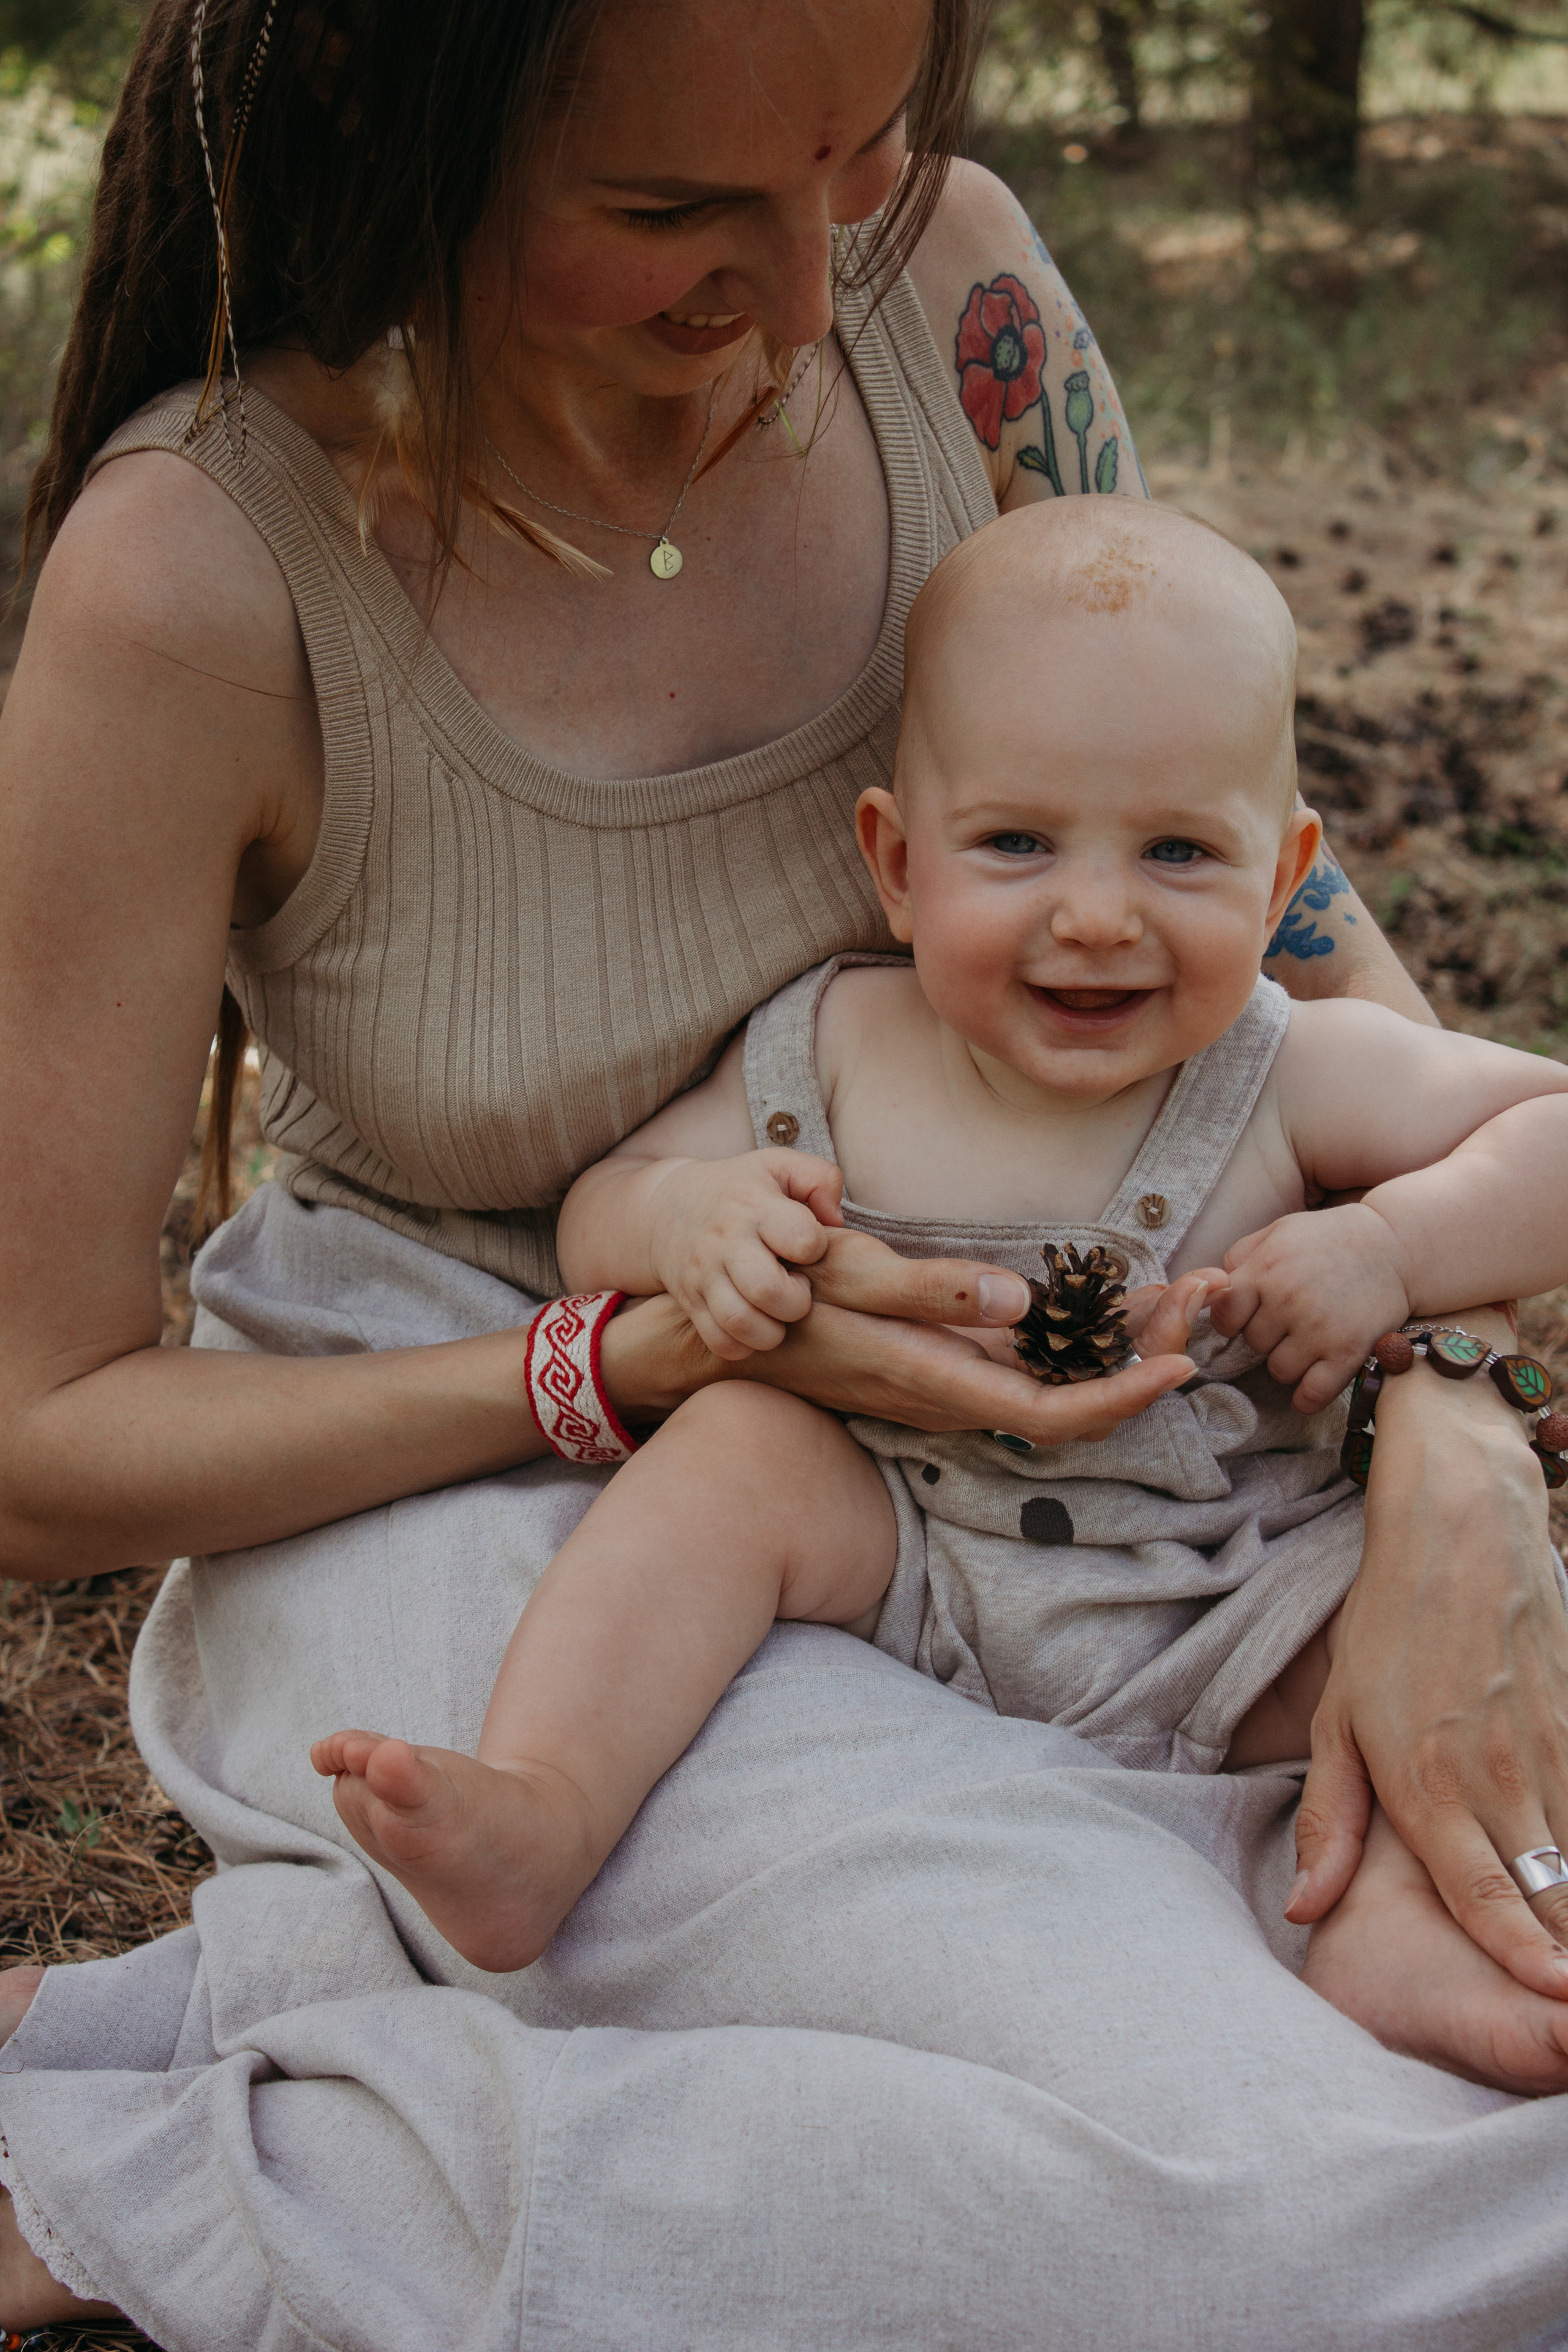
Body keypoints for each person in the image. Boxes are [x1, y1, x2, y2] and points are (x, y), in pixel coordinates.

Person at [6, 0, 1568, 2341]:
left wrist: (1450, 1429)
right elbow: (35, 1438)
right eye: (671, 210)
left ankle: (296, 2004)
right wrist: (625, 1356)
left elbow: (1284, 950)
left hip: (1136, 1515)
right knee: (1297, 2212)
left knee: (1457, 2029)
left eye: (857, 151)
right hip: (515, 1493)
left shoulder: (962, 299)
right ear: (378, 94)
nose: (820, 281)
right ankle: (180, 2170)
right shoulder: (199, 578)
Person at [312, 499, 1568, 2071]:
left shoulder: (1290, 1070)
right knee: (734, 1458)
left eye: (1177, 851)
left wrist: (1391, 1246)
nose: (1094, 913)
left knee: (1429, 1644)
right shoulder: (832, 1044)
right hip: (904, 1552)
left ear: (1280, 880)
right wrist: (692, 1217)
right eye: (1016, 843)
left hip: (1239, 1593)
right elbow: (600, 1212)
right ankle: (548, 1803)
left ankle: (1382, 1916)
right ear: (898, 865)